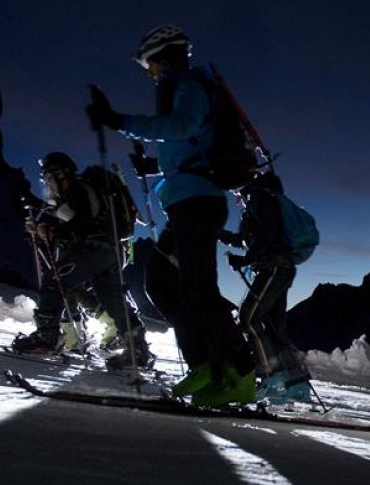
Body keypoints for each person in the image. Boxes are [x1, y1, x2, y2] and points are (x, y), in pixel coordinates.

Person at [85, 24, 256, 407]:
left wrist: (118, 120)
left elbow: (182, 126)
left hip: (198, 203)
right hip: (187, 200)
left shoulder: (189, 84)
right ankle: (204, 367)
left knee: (198, 290)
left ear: (161, 56)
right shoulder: (182, 87)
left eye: (148, 63)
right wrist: (153, 166)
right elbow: (190, 145)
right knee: (162, 283)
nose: (148, 71)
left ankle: (241, 375)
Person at [11, 152, 153, 370]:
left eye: (48, 176)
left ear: (60, 174)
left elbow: (82, 222)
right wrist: (48, 230)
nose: (47, 182)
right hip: (111, 250)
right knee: (112, 299)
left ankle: (46, 338)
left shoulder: (77, 189)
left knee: (55, 281)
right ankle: (138, 349)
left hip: (94, 249)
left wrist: (53, 230)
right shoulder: (82, 192)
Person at [223, 173, 315, 407]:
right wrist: (221, 236)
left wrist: (245, 260)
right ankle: (296, 385)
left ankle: (269, 376)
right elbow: (251, 237)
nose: (236, 197)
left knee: (249, 319)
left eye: (236, 192)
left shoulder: (258, 197)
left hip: (272, 268)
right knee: (273, 326)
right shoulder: (264, 198)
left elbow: (265, 233)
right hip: (280, 267)